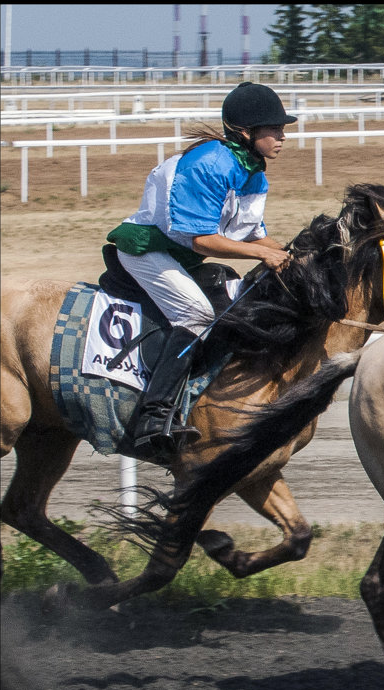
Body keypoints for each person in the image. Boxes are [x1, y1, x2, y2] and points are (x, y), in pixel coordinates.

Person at [107, 81, 297, 453]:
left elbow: (254, 236)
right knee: (195, 314)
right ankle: (153, 415)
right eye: (274, 129)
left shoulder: (252, 171)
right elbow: (202, 240)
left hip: (181, 255)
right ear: (246, 131)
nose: (282, 136)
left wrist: (294, 255)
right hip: (146, 249)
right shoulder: (209, 163)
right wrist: (263, 256)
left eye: (282, 129)